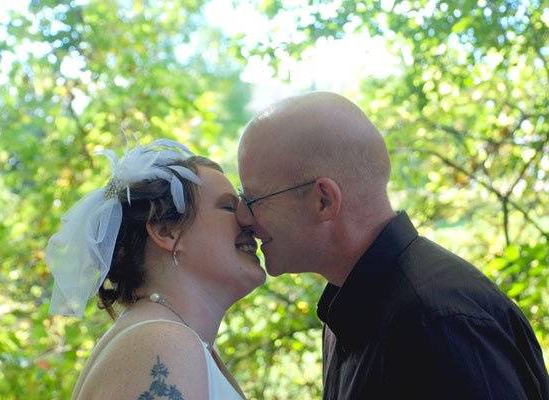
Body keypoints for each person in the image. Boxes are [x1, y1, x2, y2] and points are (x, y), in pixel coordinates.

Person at [236, 92, 549, 399]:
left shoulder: (436, 325)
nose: (242, 216)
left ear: (323, 200)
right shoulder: (348, 312)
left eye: (252, 199)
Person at [46, 140, 265, 400]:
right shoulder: (165, 342)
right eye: (229, 207)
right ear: (165, 231)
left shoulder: (171, 339)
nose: (248, 220)